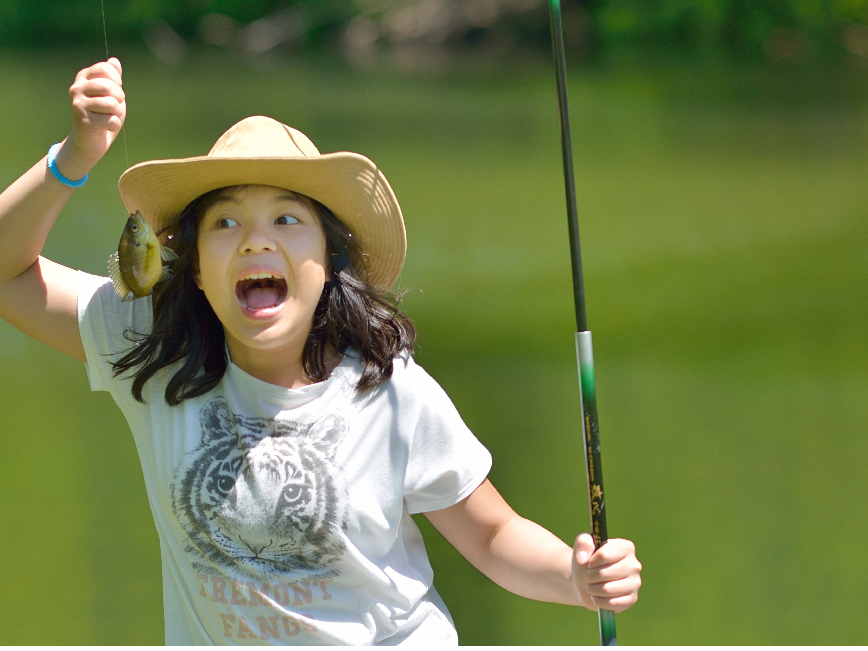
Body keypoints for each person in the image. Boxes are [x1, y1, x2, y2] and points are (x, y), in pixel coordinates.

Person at [0, 58, 641, 645]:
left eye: (286, 219)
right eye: (225, 222)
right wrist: (74, 157)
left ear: (329, 260)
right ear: (193, 267)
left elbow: (493, 535)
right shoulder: (157, 348)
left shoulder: (390, 390)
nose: (255, 241)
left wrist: (577, 577)